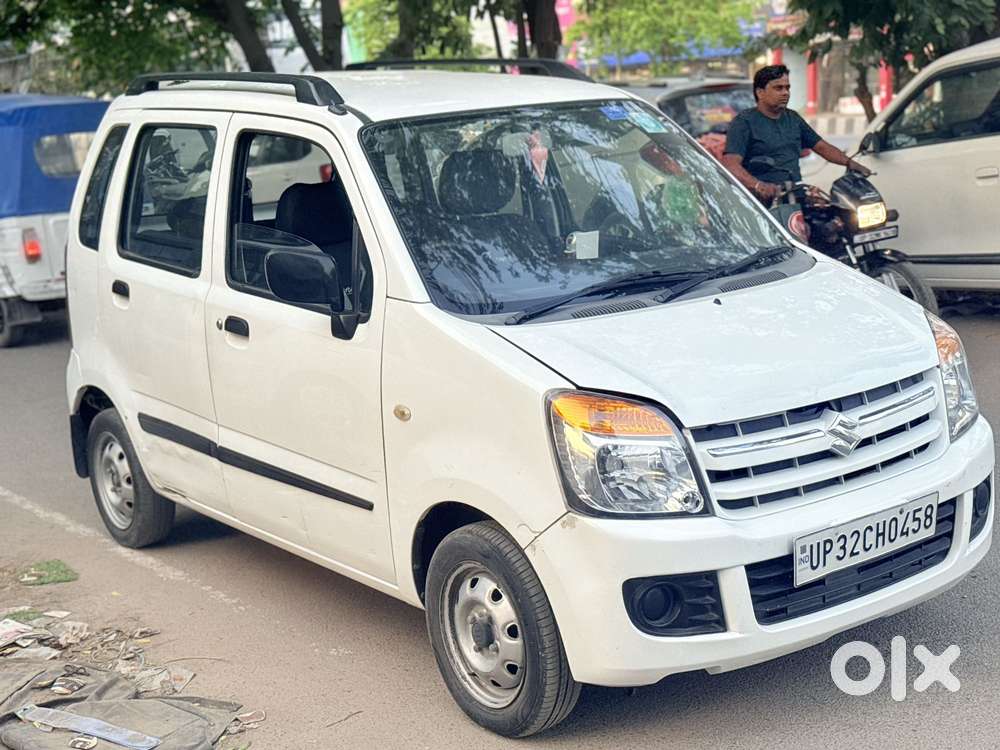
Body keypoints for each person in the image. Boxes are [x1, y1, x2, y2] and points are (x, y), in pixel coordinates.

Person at [722, 65, 871, 203]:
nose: (785, 93)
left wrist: (850, 163)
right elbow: (730, 164)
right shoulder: (744, 122)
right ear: (760, 93)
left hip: (795, 195)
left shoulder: (793, 118)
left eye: (787, 88)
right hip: (762, 204)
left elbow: (821, 147)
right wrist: (758, 185)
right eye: (778, 88)